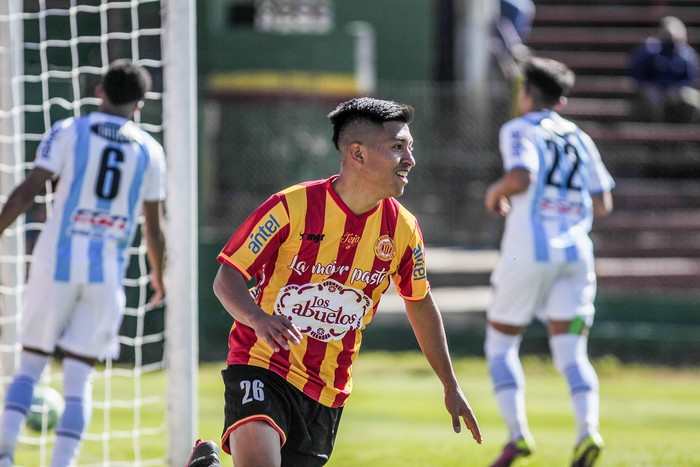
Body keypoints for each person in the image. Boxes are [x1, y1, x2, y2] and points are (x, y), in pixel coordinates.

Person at [190, 97, 482, 466]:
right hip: (262, 363)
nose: (410, 159)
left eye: (410, 148)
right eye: (397, 148)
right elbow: (227, 275)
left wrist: (450, 384)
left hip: (327, 389)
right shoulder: (292, 206)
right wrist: (259, 320)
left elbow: (419, 302)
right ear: (357, 154)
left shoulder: (404, 230)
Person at [0, 59, 166, 467]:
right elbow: (154, 227)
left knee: (32, 363)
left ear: (99, 92)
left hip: (56, 261)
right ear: (140, 105)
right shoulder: (150, 149)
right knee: (79, 377)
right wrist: (159, 275)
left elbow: (28, 190)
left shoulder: (70, 130)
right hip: (106, 272)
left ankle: (4, 455)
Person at [483, 56, 614, 467]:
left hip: (529, 252)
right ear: (561, 101)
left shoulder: (519, 128)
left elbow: (521, 175)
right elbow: (604, 202)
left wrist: (495, 192)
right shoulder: (579, 136)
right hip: (576, 254)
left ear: (526, 94)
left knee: (502, 344)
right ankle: (588, 432)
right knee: (573, 353)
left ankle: (518, 436)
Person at [628, 16, 700, 123]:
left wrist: (676, 89)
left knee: (691, 98)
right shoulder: (649, 50)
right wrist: (655, 88)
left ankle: (685, 126)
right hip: (655, 90)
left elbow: (691, 79)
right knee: (650, 97)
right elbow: (638, 76)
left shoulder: (687, 54)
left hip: (677, 93)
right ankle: (655, 127)